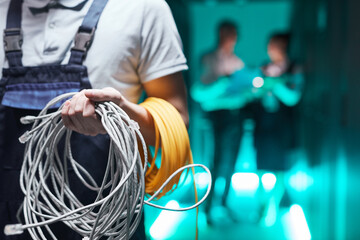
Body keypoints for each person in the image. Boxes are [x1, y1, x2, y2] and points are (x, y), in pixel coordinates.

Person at [0, 0, 188, 239]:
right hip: (12, 223)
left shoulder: (142, 8)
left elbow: (177, 120)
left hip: (108, 225)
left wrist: (120, 113)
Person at [250, 32, 304, 222]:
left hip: (283, 126)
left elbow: (293, 98)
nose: (270, 49)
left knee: (280, 169)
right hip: (264, 125)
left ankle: (272, 206)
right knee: (261, 168)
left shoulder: (294, 68)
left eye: (274, 45)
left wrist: (273, 84)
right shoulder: (263, 67)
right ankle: (262, 206)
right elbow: (254, 91)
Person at [196, 20, 244, 225]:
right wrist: (222, 83)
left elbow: (242, 94)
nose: (230, 38)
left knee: (231, 162)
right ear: (219, 34)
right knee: (214, 162)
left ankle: (223, 203)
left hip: (235, 116)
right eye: (227, 33)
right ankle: (208, 208)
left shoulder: (238, 63)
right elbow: (199, 92)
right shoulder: (207, 59)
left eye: (233, 34)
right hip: (216, 117)